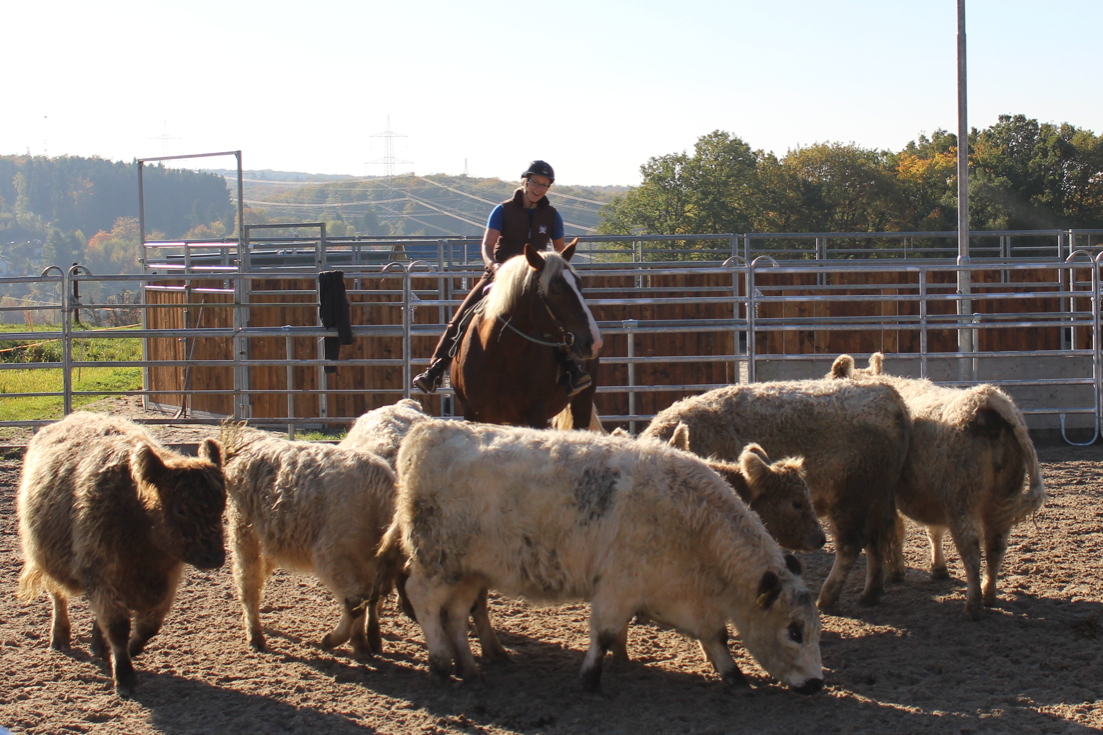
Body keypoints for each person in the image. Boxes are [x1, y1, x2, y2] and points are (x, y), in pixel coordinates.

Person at [412, 160, 593, 396]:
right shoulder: (503, 210)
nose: (539, 188)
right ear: (525, 181)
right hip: (499, 276)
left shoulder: (551, 215)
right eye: (536, 182)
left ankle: (570, 368)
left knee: (555, 319)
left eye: (545, 185)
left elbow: (559, 252)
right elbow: (487, 245)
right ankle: (435, 370)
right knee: (461, 318)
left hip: (534, 279)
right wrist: (493, 265)